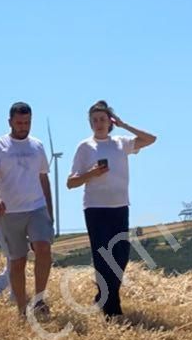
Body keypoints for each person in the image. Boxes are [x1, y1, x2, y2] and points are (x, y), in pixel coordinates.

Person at [66, 101, 157, 318]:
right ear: (90, 123)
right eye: (95, 120)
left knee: (120, 255)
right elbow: (71, 182)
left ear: (110, 122)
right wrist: (91, 174)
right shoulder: (84, 147)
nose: (98, 124)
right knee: (102, 256)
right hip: (95, 208)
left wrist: (125, 125)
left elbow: (150, 139)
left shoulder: (121, 143)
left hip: (119, 207)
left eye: (103, 119)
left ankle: (103, 296)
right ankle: (111, 308)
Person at [0, 102, 55, 318]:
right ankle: (22, 310)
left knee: (43, 249)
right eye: (19, 123)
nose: (24, 127)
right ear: (10, 122)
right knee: (18, 261)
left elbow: (44, 178)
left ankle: (40, 300)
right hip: (10, 212)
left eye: (27, 122)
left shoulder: (38, 146)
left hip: (36, 207)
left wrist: (50, 211)